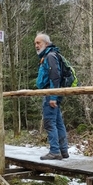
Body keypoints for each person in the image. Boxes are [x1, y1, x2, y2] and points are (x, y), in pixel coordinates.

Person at [34, 32, 69, 160]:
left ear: (47, 44)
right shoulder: (51, 55)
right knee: (58, 122)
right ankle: (63, 150)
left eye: (39, 43)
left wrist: (53, 97)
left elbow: (55, 77)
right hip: (53, 93)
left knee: (49, 122)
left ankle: (55, 151)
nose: (36, 46)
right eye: (35, 43)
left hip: (50, 94)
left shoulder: (50, 56)